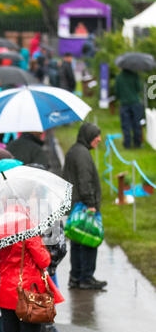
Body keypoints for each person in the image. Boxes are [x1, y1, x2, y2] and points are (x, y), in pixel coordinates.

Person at [62, 122, 107, 290]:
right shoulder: (82, 154)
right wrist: (91, 203)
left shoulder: (76, 150)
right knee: (88, 240)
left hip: (76, 204)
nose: (99, 139)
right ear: (88, 136)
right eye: (97, 135)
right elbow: (84, 180)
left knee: (77, 241)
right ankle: (86, 278)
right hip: (84, 205)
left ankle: (76, 276)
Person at [115, 69, 142, 149]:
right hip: (135, 103)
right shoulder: (135, 75)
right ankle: (137, 144)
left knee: (126, 125)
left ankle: (127, 144)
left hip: (124, 104)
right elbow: (138, 88)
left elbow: (117, 92)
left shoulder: (119, 77)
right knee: (136, 124)